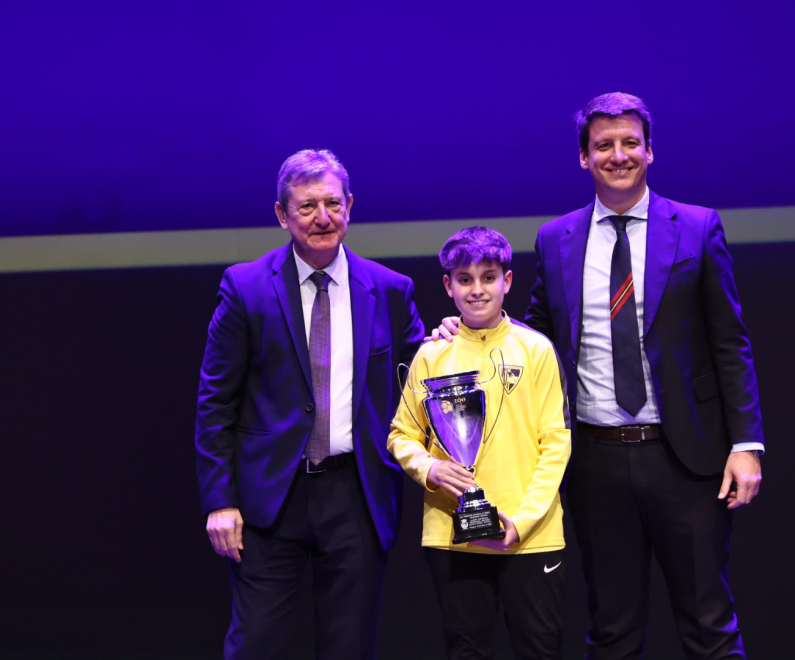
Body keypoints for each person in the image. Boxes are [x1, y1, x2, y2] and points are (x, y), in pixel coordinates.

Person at [438, 93, 764, 659]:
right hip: (594, 460)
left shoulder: (696, 227)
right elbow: (533, 334)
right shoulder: (555, 238)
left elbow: (730, 343)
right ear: (584, 159)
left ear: (650, 151)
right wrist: (467, 328)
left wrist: (747, 444)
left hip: (686, 458)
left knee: (710, 626)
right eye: (604, 145)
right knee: (612, 630)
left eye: (630, 143)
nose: (619, 155)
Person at [195, 149, 425, 659]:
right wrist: (219, 499)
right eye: (306, 207)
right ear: (282, 214)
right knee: (256, 645)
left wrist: (455, 337)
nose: (323, 217)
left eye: (332, 203)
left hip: (357, 493)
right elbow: (215, 403)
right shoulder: (246, 287)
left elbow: (425, 380)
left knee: (349, 648)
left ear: (349, 205)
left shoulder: (389, 290)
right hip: (269, 498)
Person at [389, 227, 571, 660]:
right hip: (454, 536)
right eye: (465, 279)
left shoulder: (536, 350)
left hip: (531, 536)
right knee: (467, 650)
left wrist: (522, 521)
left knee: (540, 649)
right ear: (448, 286)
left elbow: (556, 443)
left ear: (507, 281)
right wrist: (428, 468)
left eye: (488, 277)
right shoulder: (432, 354)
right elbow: (401, 434)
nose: (477, 290)